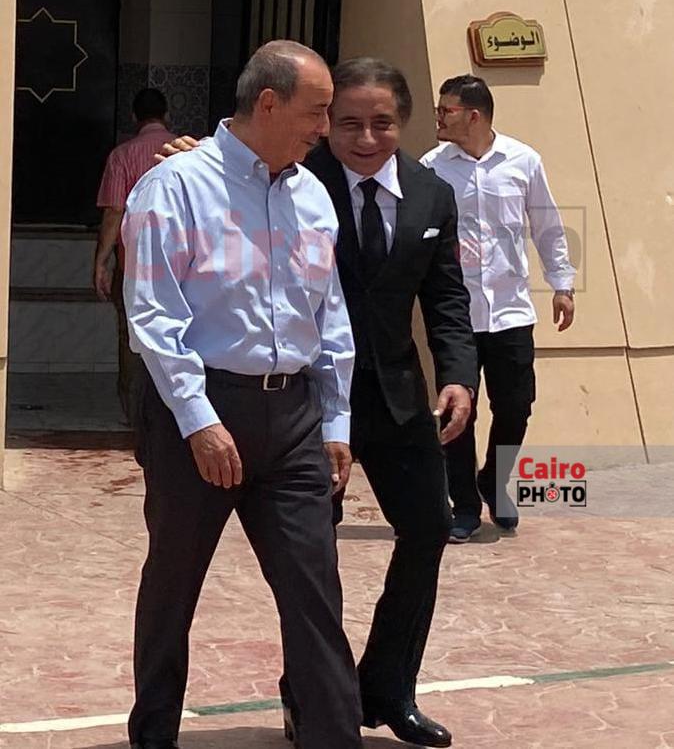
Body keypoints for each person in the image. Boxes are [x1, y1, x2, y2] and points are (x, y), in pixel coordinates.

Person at [162, 58, 478, 749]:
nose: (364, 138)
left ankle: (388, 689)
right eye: (347, 123)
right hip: (305, 400)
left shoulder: (431, 193)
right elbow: (235, 168)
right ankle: (308, 700)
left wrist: (459, 375)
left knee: (429, 528)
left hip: (395, 398)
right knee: (309, 564)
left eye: (381, 124)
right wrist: (192, 150)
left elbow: (447, 296)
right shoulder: (297, 175)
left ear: (404, 124)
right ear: (325, 123)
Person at [122, 41, 362, 749]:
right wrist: (198, 419)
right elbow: (153, 314)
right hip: (197, 415)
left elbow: (329, 314)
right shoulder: (175, 186)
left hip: (293, 420)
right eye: (317, 111)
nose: (326, 128)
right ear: (269, 103)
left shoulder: (312, 195)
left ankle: (330, 735)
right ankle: (154, 734)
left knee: (315, 593)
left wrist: (336, 420)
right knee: (173, 588)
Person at [420, 74, 576, 543]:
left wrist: (562, 284)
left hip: (510, 311)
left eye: (446, 110)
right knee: (457, 412)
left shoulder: (523, 161)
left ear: (474, 116)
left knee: (516, 407)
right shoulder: (431, 168)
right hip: (455, 315)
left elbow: (546, 226)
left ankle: (493, 480)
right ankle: (465, 504)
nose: (438, 118)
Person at [94, 88, 175, 427]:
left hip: (133, 267)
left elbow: (115, 211)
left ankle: (134, 414)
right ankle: (171, 412)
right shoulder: (187, 151)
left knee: (131, 339)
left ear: (133, 117)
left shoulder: (122, 156)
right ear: (166, 115)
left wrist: (101, 261)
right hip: (182, 268)